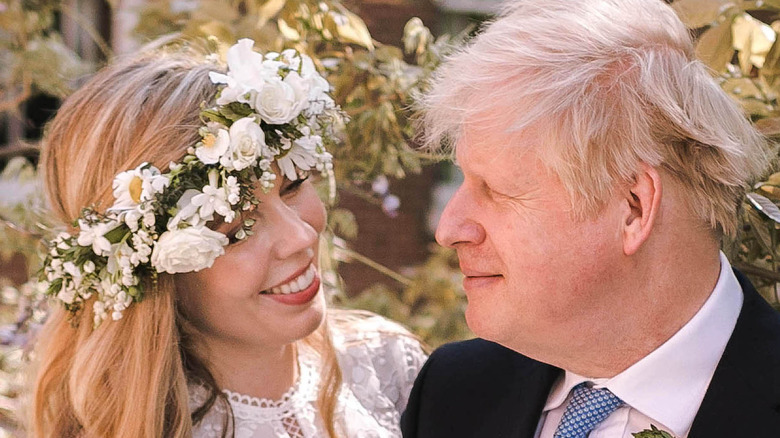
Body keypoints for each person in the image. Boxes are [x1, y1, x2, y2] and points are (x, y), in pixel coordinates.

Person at [401, 0, 780, 437]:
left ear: (634, 207)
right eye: (463, 181)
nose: (449, 230)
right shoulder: (454, 393)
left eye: (497, 190)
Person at [29, 39, 426, 438]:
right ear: (149, 267)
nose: (301, 236)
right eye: (236, 229)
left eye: (294, 185)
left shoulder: (389, 369)